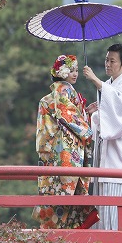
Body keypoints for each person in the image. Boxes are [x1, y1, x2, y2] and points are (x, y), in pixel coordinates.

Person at [33, 54, 99, 229]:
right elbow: (67, 115)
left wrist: (85, 112)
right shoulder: (64, 89)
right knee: (67, 192)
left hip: (54, 149)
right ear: (62, 72)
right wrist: (87, 129)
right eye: (71, 70)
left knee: (56, 193)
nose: (75, 74)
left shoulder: (55, 92)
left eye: (76, 70)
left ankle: (55, 235)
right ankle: (66, 236)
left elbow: (66, 115)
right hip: (65, 151)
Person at [82, 43, 122, 231]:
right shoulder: (108, 85)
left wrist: (95, 80)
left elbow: (120, 114)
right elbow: (108, 118)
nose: (107, 64)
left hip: (121, 158)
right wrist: (95, 113)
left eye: (112, 61)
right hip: (106, 157)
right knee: (104, 206)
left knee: (118, 205)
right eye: (106, 59)